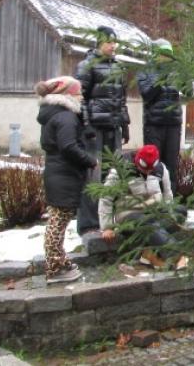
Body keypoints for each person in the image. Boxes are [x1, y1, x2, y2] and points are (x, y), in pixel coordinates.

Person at [36, 76, 98, 284]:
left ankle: (59, 262)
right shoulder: (66, 117)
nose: (81, 97)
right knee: (57, 223)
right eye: (78, 93)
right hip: (64, 175)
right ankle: (55, 268)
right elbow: (69, 146)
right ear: (68, 95)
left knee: (58, 221)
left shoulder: (55, 114)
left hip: (58, 173)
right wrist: (89, 160)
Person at [75, 25, 130, 234]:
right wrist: (86, 125)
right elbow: (79, 98)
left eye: (115, 42)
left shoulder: (119, 67)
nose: (113, 46)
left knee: (113, 175)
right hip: (94, 129)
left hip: (113, 128)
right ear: (99, 43)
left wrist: (125, 124)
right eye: (109, 42)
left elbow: (122, 99)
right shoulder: (86, 65)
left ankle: (109, 222)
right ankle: (88, 225)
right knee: (93, 176)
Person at [98, 145, 182, 269]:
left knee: (180, 212)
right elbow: (106, 199)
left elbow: (167, 194)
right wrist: (107, 228)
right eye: (144, 170)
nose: (147, 172)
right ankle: (176, 256)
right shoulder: (120, 170)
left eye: (150, 170)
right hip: (128, 213)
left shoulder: (161, 169)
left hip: (153, 211)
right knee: (146, 222)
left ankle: (149, 254)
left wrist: (170, 213)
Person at [137, 39, 185, 189]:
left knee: (171, 165)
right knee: (153, 165)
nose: (166, 58)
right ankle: (154, 198)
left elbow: (189, 91)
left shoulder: (177, 71)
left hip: (174, 124)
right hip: (154, 125)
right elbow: (146, 94)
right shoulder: (145, 71)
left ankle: (171, 198)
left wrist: (186, 77)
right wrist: (161, 78)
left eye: (168, 54)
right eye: (163, 54)